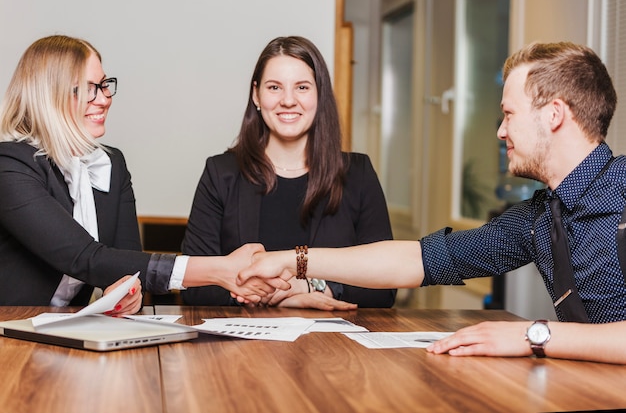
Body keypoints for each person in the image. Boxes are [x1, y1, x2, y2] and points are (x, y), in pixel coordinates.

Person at [235, 41, 626, 364]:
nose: (501, 130)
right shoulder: (539, 217)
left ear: (554, 114)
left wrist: (532, 335)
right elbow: (417, 260)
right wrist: (290, 259)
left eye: (509, 114)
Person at [0, 35, 288, 314]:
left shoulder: (111, 163)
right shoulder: (10, 164)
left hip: (62, 334)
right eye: (89, 88)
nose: (103, 99)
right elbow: (85, 258)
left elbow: (129, 267)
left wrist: (128, 294)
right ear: (48, 95)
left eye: (103, 85)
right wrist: (218, 270)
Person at [181, 36, 396, 310]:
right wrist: (281, 293)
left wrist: (314, 286)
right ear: (256, 95)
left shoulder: (358, 174)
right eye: (274, 87)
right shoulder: (220, 173)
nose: (288, 100)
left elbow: (385, 286)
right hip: (242, 348)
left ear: (320, 95)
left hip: (332, 346)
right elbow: (194, 286)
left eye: (302, 87)